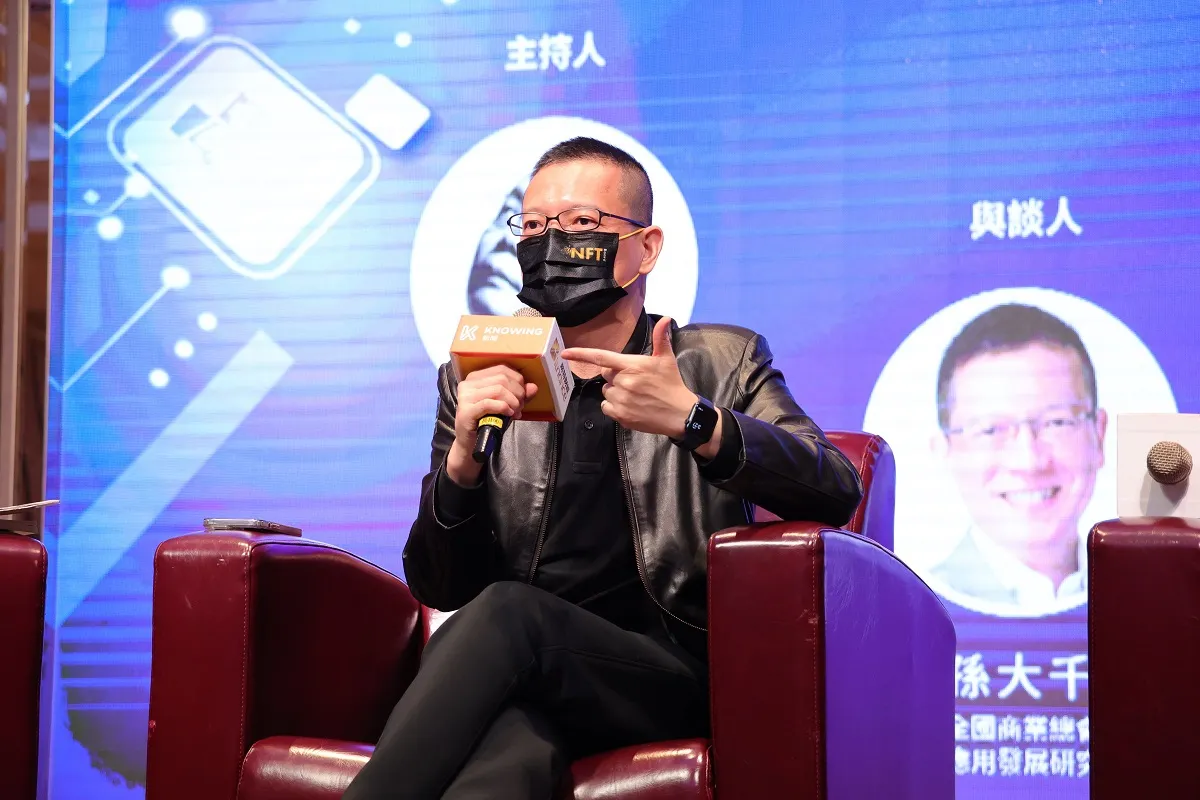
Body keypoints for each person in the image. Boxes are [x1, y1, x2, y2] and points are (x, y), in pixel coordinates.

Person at [343, 136, 862, 799]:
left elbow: (834, 487)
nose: (551, 242)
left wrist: (694, 421)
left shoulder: (720, 361)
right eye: (534, 226)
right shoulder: (477, 375)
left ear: (646, 248)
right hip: (527, 668)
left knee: (510, 616)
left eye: (582, 222)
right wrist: (463, 465)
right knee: (508, 759)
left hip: (669, 667)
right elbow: (441, 584)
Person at [928, 303, 1108, 615]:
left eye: (1057, 422)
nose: (1029, 461)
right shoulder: (916, 604)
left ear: (1099, 434)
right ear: (945, 452)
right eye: (990, 430)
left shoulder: (1152, 596)